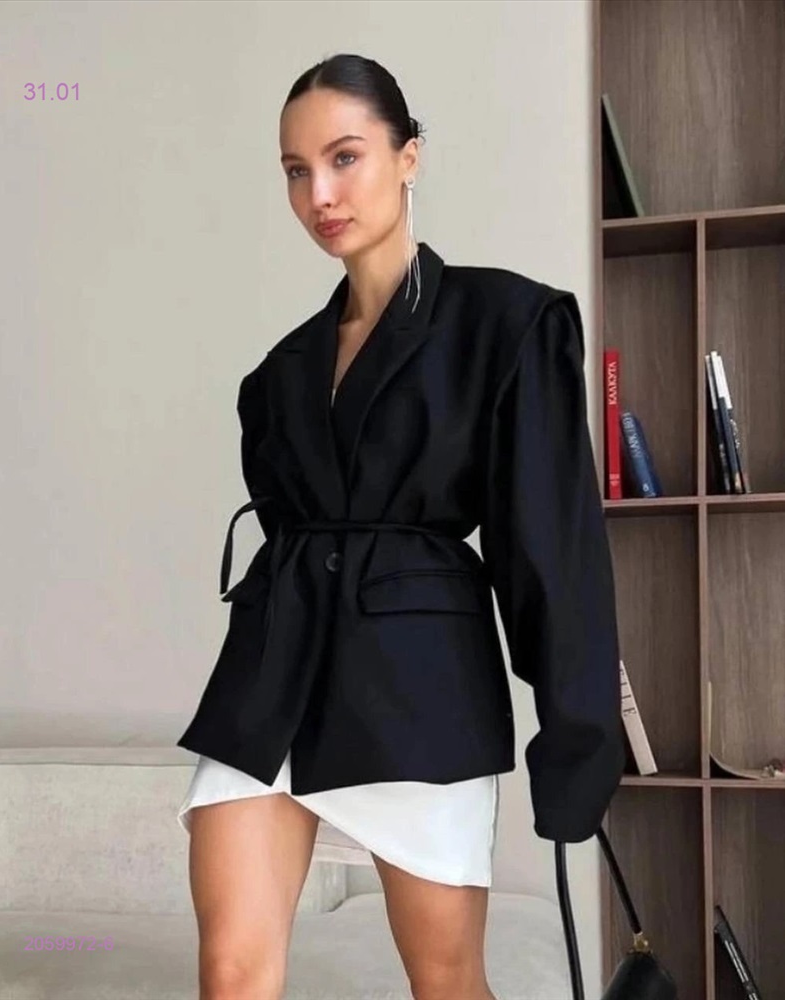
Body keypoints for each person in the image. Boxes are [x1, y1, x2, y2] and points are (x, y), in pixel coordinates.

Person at [175, 52, 625, 1000]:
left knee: (446, 979)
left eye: (345, 158)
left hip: (419, 680)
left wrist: (577, 739)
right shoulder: (278, 375)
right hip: (274, 668)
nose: (319, 194)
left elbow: (550, 549)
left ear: (409, 155)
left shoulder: (506, 322)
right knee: (230, 972)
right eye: (296, 170)